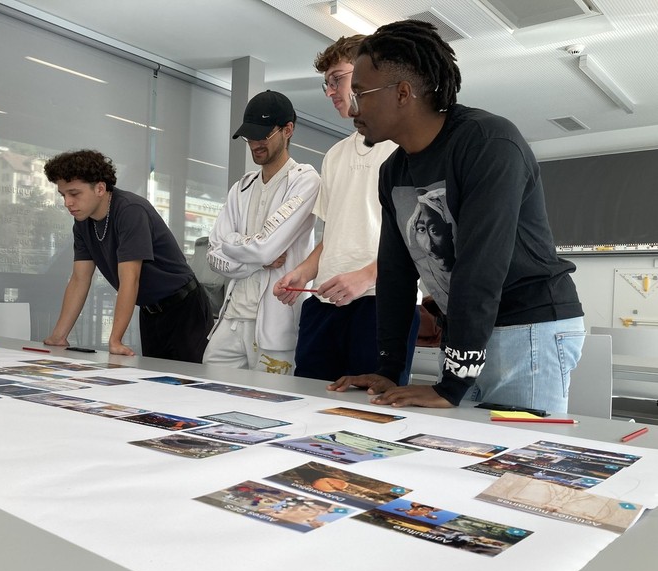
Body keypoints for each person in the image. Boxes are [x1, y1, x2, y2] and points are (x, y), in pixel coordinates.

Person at [331, 20, 585, 412]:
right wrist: (390, 368)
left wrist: (451, 385)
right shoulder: (393, 171)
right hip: (469, 331)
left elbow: (481, 266)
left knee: (517, 463)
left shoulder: (488, 144)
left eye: (361, 93)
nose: (353, 108)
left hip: (527, 326)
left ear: (403, 93)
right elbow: (396, 273)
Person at [273, 35, 420, 384]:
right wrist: (304, 272)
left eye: (337, 78)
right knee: (306, 401)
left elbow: (421, 237)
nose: (330, 91)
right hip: (324, 304)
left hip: (382, 302)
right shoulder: (335, 155)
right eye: (327, 83)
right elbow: (333, 233)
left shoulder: (407, 149)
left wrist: (366, 277)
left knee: (370, 415)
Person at [42, 149, 212, 362]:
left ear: (100, 188)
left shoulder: (130, 211)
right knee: (155, 384)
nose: (67, 202)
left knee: (188, 385)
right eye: (63, 195)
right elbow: (79, 279)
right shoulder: (82, 223)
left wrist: (115, 340)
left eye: (74, 194)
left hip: (185, 307)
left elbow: (130, 278)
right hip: (150, 310)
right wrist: (59, 336)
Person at [203, 90, 319, 374]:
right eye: (249, 137)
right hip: (231, 319)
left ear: (287, 130)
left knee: (269, 407)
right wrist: (256, 257)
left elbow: (264, 247)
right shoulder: (241, 187)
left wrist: (238, 246)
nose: (254, 144)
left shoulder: (305, 181)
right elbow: (213, 254)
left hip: (276, 327)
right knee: (206, 390)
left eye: (263, 136)